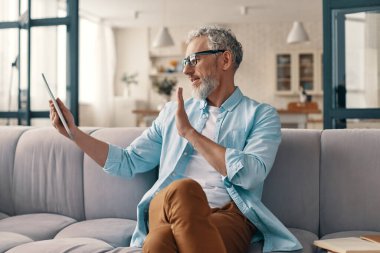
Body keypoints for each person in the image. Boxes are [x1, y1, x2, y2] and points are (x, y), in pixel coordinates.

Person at [50, 25, 302, 253]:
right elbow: (128, 161)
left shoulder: (260, 115)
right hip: (167, 206)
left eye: (194, 60)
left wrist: (191, 134)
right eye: (185, 61)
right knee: (184, 189)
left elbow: (252, 174)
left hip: (229, 214)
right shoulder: (173, 113)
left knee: (159, 243)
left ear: (225, 59)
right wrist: (74, 134)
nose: (186, 70)